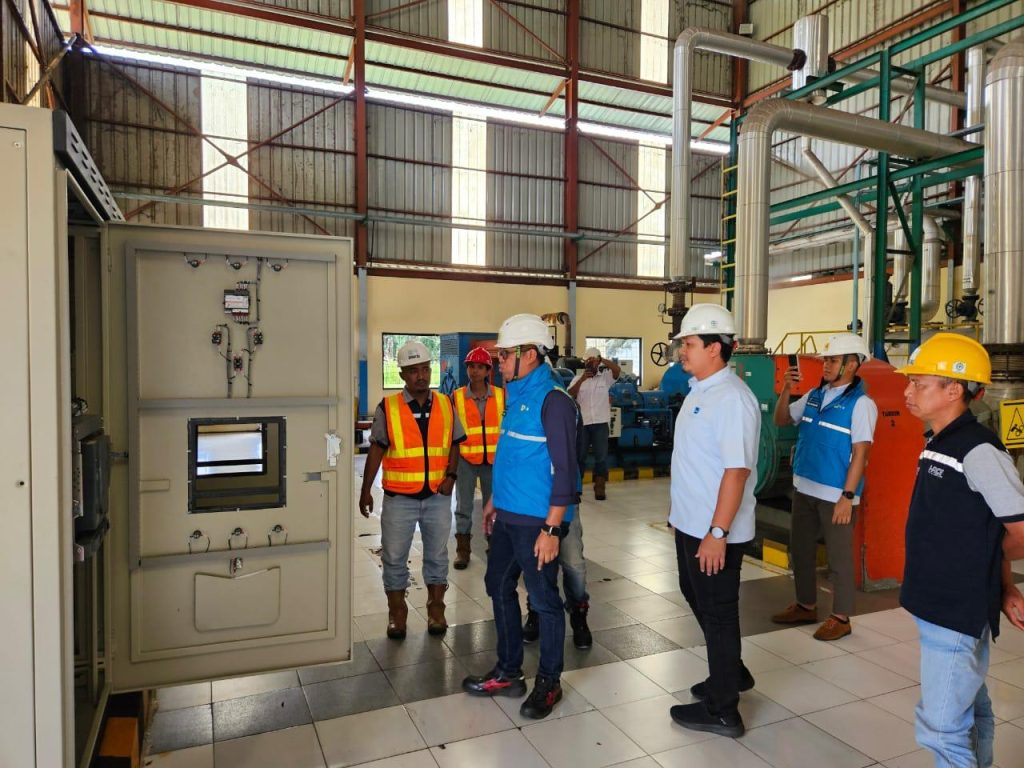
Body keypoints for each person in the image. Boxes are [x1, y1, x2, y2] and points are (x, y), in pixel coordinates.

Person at [898, 333, 1024, 767]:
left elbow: (1018, 528)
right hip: (940, 602)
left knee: (941, 729)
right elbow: (985, 527)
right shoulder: (940, 440)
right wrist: (1004, 585)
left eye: (919, 383)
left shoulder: (979, 450)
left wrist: (996, 576)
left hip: (955, 608)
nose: (907, 391)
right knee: (969, 710)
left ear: (954, 390)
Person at [462, 313, 580, 720]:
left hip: (537, 520)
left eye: (505, 354)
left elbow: (566, 470)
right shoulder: (515, 393)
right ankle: (509, 672)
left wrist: (552, 528)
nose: (498, 362)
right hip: (510, 513)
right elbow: (514, 453)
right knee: (497, 585)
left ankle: (550, 681)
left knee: (544, 601)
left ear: (530, 354)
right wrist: (495, 499)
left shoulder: (554, 400)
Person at [667, 303, 760, 739]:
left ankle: (724, 710)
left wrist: (718, 533)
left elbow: (736, 472)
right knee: (696, 595)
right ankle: (731, 672)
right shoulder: (700, 390)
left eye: (688, 343)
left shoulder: (732, 399)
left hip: (715, 531)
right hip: (692, 524)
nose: (681, 351)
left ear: (715, 348)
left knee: (719, 613)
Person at [771, 333, 878, 641]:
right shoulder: (815, 395)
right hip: (804, 486)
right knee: (801, 551)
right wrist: (787, 390)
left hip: (835, 494)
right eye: (825, 360)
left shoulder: (861, 405)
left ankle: (841, 618)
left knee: (839, 558)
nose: (826, 365)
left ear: (852, 364)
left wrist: (847, 496)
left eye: (832, 360)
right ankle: (805, 605)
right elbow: (781, 419)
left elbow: (861, 453)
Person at [359, 340, 465, 639]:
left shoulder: (446, 404)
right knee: (394, 557)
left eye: (425, 369)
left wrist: (452, 476)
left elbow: (455, 443)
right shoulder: (388, 407)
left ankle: (436, 609)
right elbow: (376, 449)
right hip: (399, 499)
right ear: (402, 374)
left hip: (437, 496)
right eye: (414, 370)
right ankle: (397, 613)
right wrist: (365, 490)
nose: (421, 376)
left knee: (437, 555)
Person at [451, 346, 504, 569]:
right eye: (471, 366)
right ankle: (463, 551)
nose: (474, 371)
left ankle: (495, 548)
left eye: (480, 367)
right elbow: (450, 432)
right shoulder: (456, 397)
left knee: (493, 507)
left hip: (493, 461)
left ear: (488, 371)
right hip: (465, 461)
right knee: (463, 506)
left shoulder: (501, 396)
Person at [568, 346, 621, 501]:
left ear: (598, 362)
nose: (591, 363)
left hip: (600, 423)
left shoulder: (605, 378)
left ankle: (599, 488)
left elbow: (617, 370)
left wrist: (601, 358)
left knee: (601, 458)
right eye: (588, 361)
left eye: (593, 360)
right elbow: (569, 394)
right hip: (583, 424)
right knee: (580, 457)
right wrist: (582, 380)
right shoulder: (578, 379)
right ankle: (576, 488)